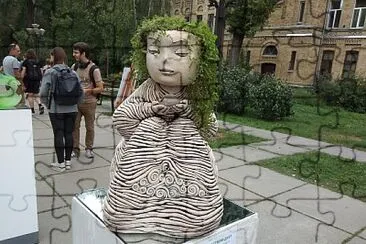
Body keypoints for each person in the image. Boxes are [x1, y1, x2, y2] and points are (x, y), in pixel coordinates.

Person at [103, 16, 222, 238]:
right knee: (130, 197)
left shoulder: (195, 94)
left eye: (180, 53)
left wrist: (190, 112)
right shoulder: (147, 89)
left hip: (188, 164)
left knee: (195, 202)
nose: (165, 61)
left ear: (201, 60)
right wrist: (149, 110)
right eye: (155, 51)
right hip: (143, 163)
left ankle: (189, 216)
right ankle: (135, 214)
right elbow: (122, 121)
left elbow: (210, 130)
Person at [39, 47, 83, 172]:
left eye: (51, 56)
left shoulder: (50, 72)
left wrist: (47, 104)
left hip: (56, 108)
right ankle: (68, 162)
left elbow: (43, 92)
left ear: (54, 57)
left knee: (58, 134)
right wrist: (76, 104)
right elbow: (81, 91)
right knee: (69, 134)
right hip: (72, 108)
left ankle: (60, 163)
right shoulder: (72, 72)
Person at [71, 42, 104, 158]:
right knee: (74, 126)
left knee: (89, 127)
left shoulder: (94, 69)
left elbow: (100, 88)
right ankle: (75, 149)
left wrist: (88, 91)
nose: (74, 54)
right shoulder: (74, 67)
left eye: (76, 52)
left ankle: (89, 148)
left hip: (89, 102)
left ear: (83, 53)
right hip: (76, 102)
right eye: (74, 52)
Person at [21, 49, 45, 114]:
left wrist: (21, 78)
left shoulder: (25, 62)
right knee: (36, 94)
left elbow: (24, 70)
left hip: (29, 80)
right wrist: (41, 79)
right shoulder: (38, 61)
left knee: (30, 95)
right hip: (37, 80)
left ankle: (32, 109)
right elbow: (41, 71)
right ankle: (40, 105)